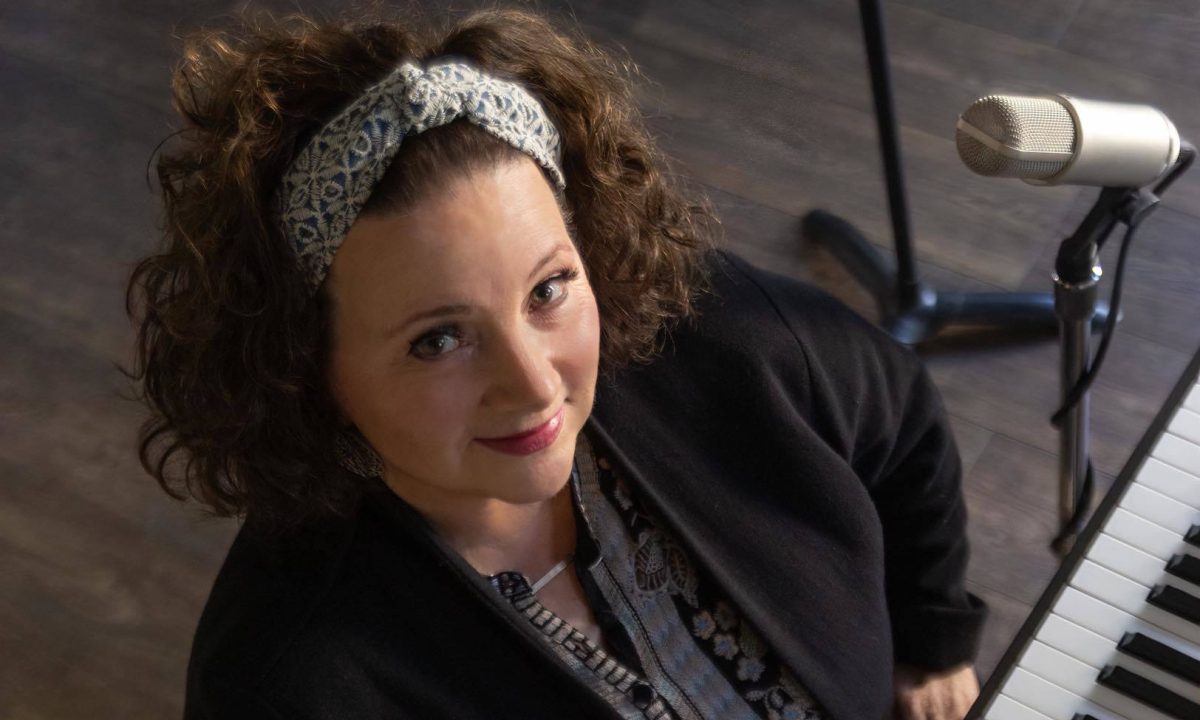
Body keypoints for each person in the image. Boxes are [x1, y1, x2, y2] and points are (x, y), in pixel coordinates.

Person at [124, 6, 988, 720]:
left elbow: (900, 414)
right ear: (307, 367)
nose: (537, 384)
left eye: (548, 289)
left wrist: (932, 639)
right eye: (438, 339)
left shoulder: (723, 335)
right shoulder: (289, 683)